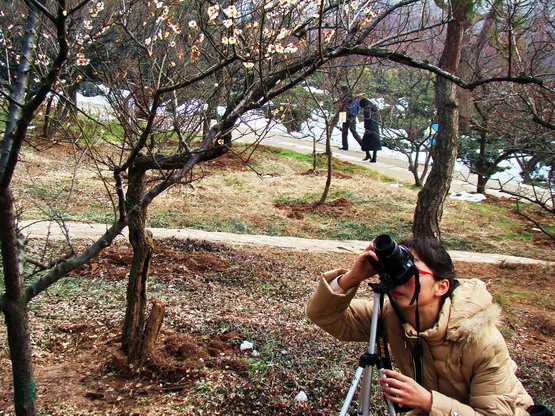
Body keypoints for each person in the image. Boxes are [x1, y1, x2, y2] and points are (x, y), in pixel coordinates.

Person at [307, 236, 536, 415]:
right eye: (397, 270)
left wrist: (427, 401)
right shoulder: (392, 315)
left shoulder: (481, 340)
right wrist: (353, 277)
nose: (400, 278)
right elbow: (324, 315)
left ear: (441, 287)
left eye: (411, 271)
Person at [337, 86, 362, 150]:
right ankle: (363, 145)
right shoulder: (355, 98)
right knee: (354, 131)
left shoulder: (346, 98)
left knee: (344, 131)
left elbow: (342, 107)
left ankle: (345, 146)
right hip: (353, 116)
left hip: (346, 115)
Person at [359, 98, 381, 162]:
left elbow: (367, 119)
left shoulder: (367, 109)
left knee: (365, 142)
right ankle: (374, 157)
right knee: (375, 143)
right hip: (375, 127)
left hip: (369, 128)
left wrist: (366, 126)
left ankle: (368, 155)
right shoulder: (374, 107)